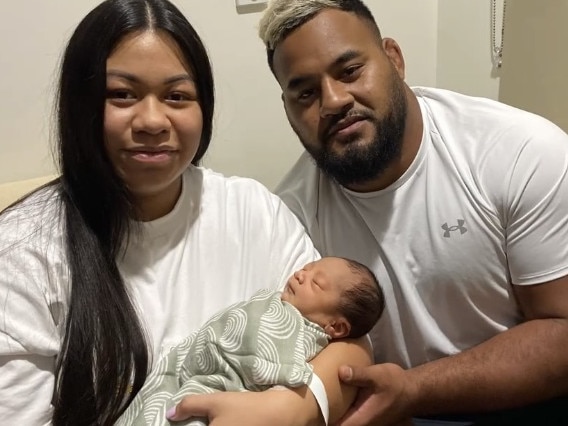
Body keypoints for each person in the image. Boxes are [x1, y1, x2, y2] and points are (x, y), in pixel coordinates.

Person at [0, 1, 373, 425]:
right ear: (80, 104)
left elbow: (348, 341)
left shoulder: (252, 211)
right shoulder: (22, 250)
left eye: (177, 96)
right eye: (122, 94)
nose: (153, 121)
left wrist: (292, 409)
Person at [257, 0, 568, 425]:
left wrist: (415, 389)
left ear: (394, 59)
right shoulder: (288, 216)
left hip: (527, 401)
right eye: (305, 93)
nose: (333, 100)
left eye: (349, 71)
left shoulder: (520, 152)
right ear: (287, 109)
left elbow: (562, 329)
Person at [117, 256, 384, 426]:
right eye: (306, 269)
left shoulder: (304, 331)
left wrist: (289, 404)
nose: (301, 275)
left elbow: (271, 361)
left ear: (336, 326)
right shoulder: (276, 301)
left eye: (317, 283)